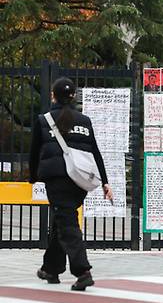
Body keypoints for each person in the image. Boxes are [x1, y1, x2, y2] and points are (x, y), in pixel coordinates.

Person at [29, 77, 113, 291]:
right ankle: (51, 268)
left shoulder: (44, 120)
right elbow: (96, 152)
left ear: (53, 96)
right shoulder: (84, 120)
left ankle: (83, 271)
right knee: (62, 221)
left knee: (67, 224)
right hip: (80, 181)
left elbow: (34, 153)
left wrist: (33, 177)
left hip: (57, 179)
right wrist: (105, 182)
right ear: (74, 96)